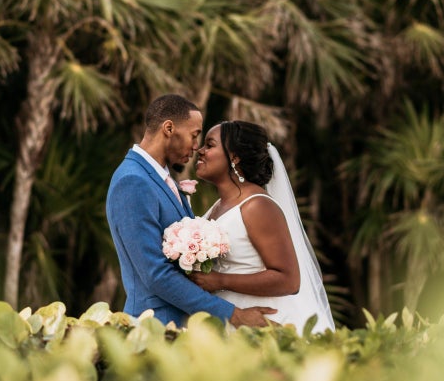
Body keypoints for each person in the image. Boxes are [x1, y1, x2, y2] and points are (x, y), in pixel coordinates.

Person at [106, 94, 275, 328]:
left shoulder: (161, 179)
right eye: (194, 135)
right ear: (168, 128)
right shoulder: (133, 181)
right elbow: (155, 274)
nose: (196, 147)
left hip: (180, 325)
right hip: (154, 324)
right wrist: (234, 314)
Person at [190, 120, 335, 334]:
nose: (199, 151)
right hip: (229, 316)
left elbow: (289, 280)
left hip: (262, 321)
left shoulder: (257, 206)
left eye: (209, 145)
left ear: (234, 157)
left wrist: (219, 280)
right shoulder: (217, 206)